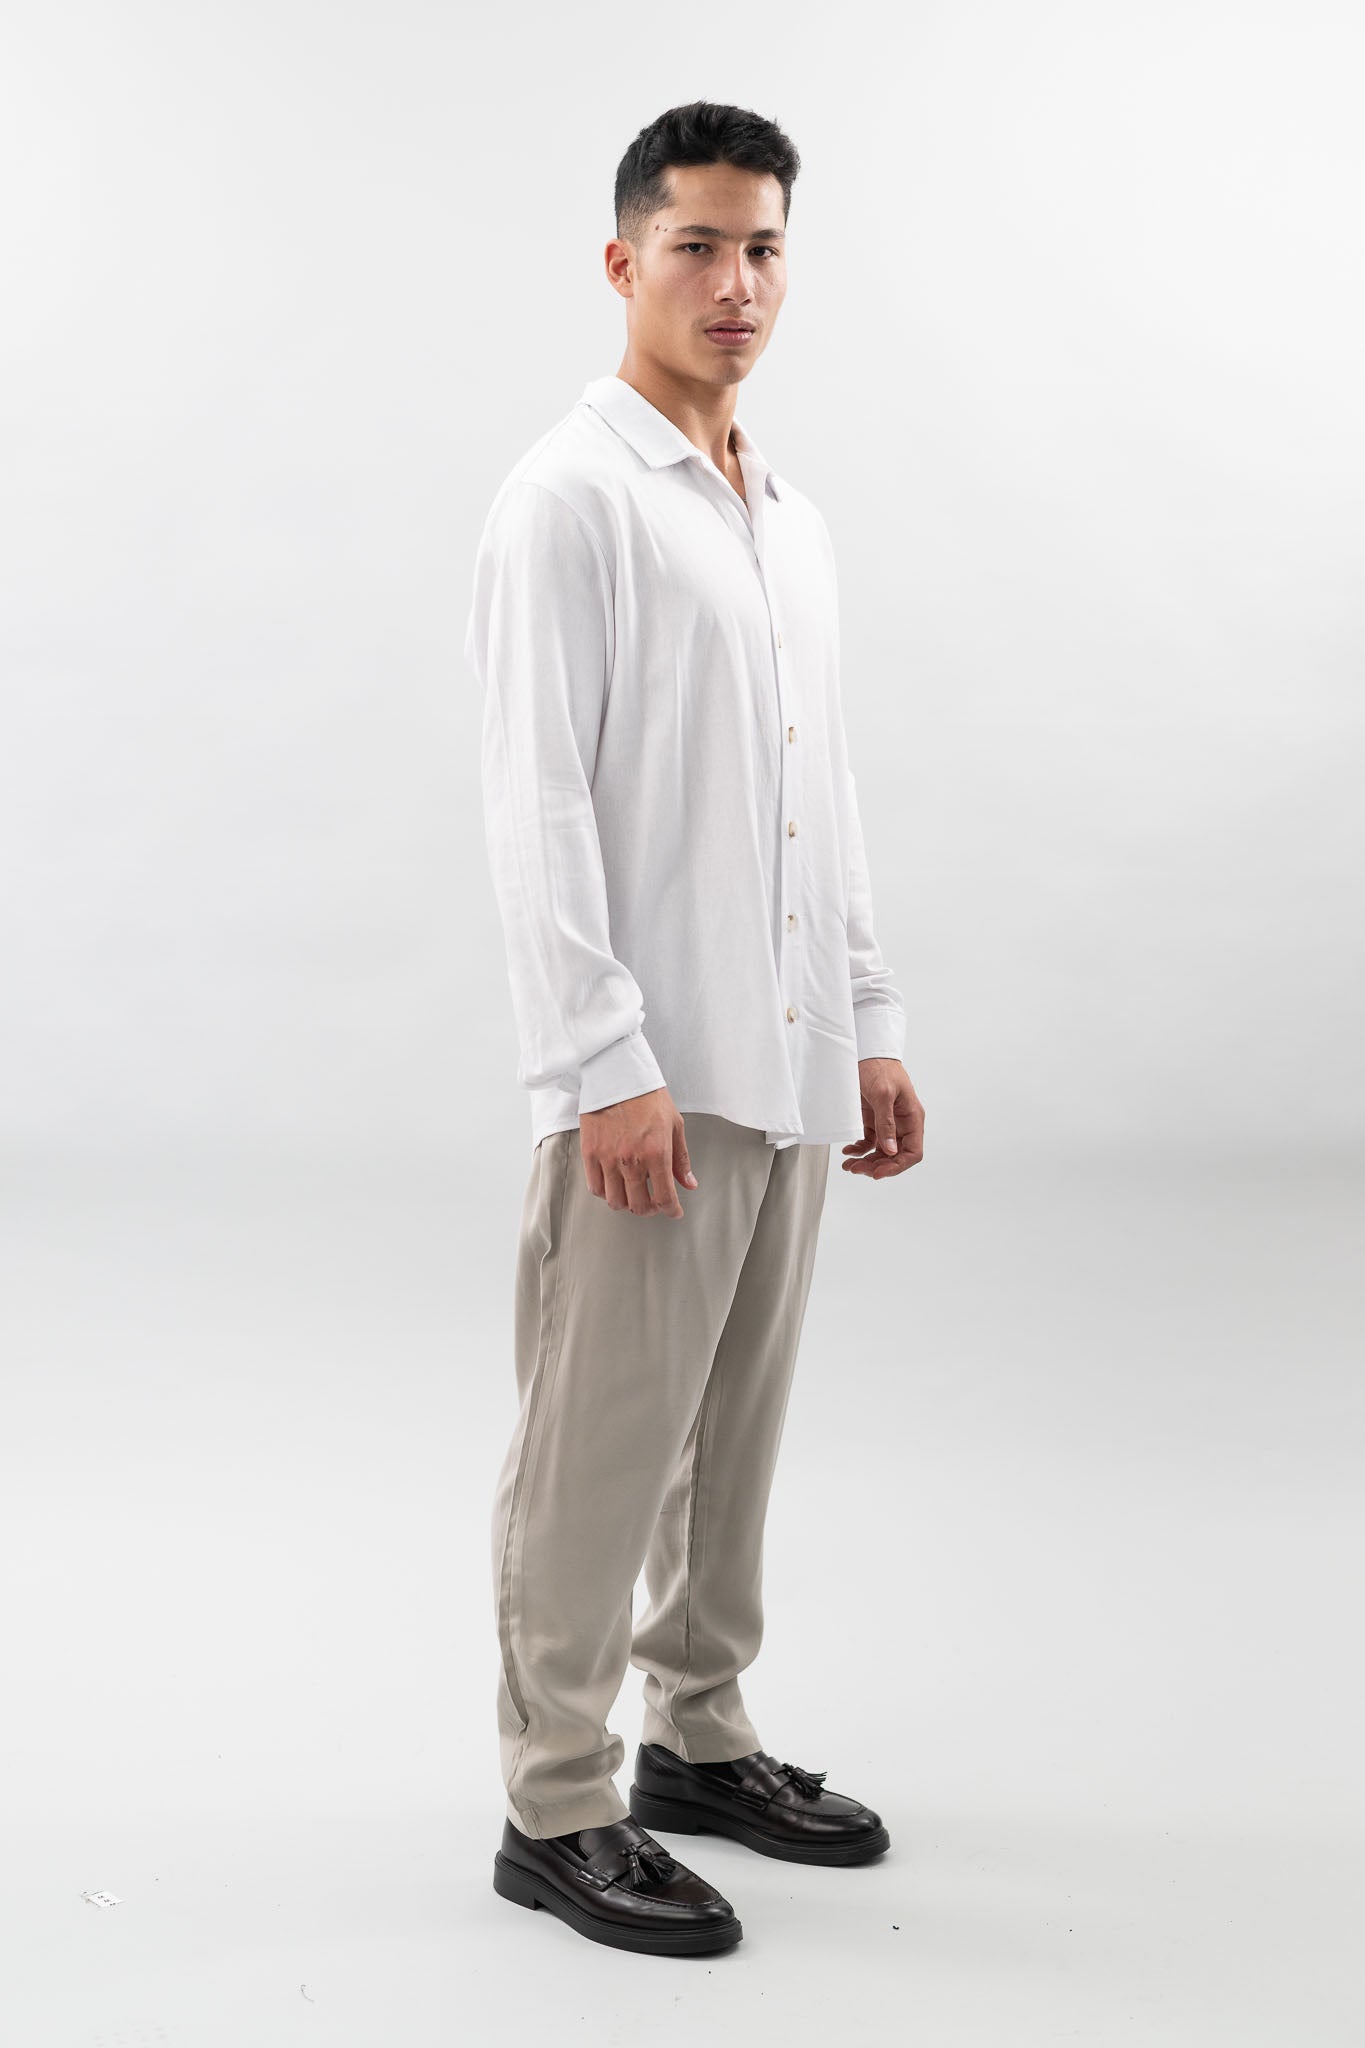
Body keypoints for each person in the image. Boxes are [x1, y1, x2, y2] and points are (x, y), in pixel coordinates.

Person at [464, 99, 926, 1958]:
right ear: (622, 262)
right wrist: (603, 1063)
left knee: (734, 1432)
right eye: (698, 247)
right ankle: (556, 1801)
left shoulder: (783, 516)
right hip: (649, 1074)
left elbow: (825, 787)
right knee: (598, 1447)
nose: (736, 283)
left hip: (783, 1051)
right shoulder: (568, 499)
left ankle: (700, 1738)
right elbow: (535, 803)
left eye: (763, 248)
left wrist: (866, 1018)